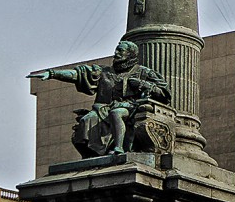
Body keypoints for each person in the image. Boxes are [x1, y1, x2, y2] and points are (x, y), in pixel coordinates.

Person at [28, 40, 170, 156]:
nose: (116, 53)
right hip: (103, 109)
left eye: (121, 51)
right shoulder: (104, 71)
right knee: (85, 121)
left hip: (131, 107)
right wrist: (52, 74)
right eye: (116, 50)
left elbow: (164, 92)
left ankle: (119, 148)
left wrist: (143, 84)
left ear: (131, 54)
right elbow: (78, 75)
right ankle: (90, 155)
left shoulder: (143, 72)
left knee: (117, 113)